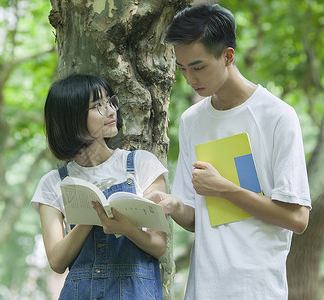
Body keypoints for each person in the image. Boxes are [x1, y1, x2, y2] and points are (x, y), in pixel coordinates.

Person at [145, 4, 311, 299]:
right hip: (204, 286)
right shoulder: (191, 121)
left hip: (257, 287)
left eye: (198, 67)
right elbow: (198, 219)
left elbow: (298, 219)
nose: (190, 79)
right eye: (182, 68)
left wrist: (225, 189)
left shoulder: (277, 116)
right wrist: (172, 205)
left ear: (228, 56)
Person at [31, 74, 168, 299]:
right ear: (71, 118)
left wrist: (127, 229)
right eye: (97, 106)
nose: (112, 111)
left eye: (110, 102)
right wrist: (91, 216)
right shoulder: (53, 183)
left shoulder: (141, 164)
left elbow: (159, 245)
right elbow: (57, 261)